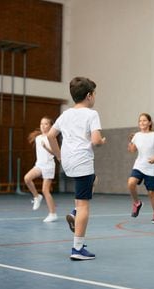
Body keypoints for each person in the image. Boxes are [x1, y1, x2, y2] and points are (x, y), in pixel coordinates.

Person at [47, 77, 105, 260]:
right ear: (89, 96)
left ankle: (74, 213)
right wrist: (101, 141)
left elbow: (50, 135)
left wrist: (58, 156)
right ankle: (77, 249)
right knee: (83, 205)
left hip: (68, 162)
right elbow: (95, 140)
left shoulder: (65, 114)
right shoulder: (91, 114)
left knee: (93, 180)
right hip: (82, 162)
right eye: (94, 94)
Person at [127, 113, 154, 223]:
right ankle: (137, 203)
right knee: (131, 183)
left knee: (151, 193)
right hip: (139, 165)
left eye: (144, 120)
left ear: (149, 122)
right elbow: (132, 150)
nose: (142, 122)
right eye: (140, 121)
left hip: (151, 168)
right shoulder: (137, 135)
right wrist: (130, 141)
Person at [24, 116, 58, 222]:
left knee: (45, 190)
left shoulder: (52, 137)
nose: (43, 126)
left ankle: (53, 214)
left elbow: (56, 153)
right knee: (27, 178)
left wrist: (46, 147)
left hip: (49, 166)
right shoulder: (38, 138)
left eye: (46, 124)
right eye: (41, 124)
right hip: (39, 165)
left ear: (50, 126)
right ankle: (36, 197)